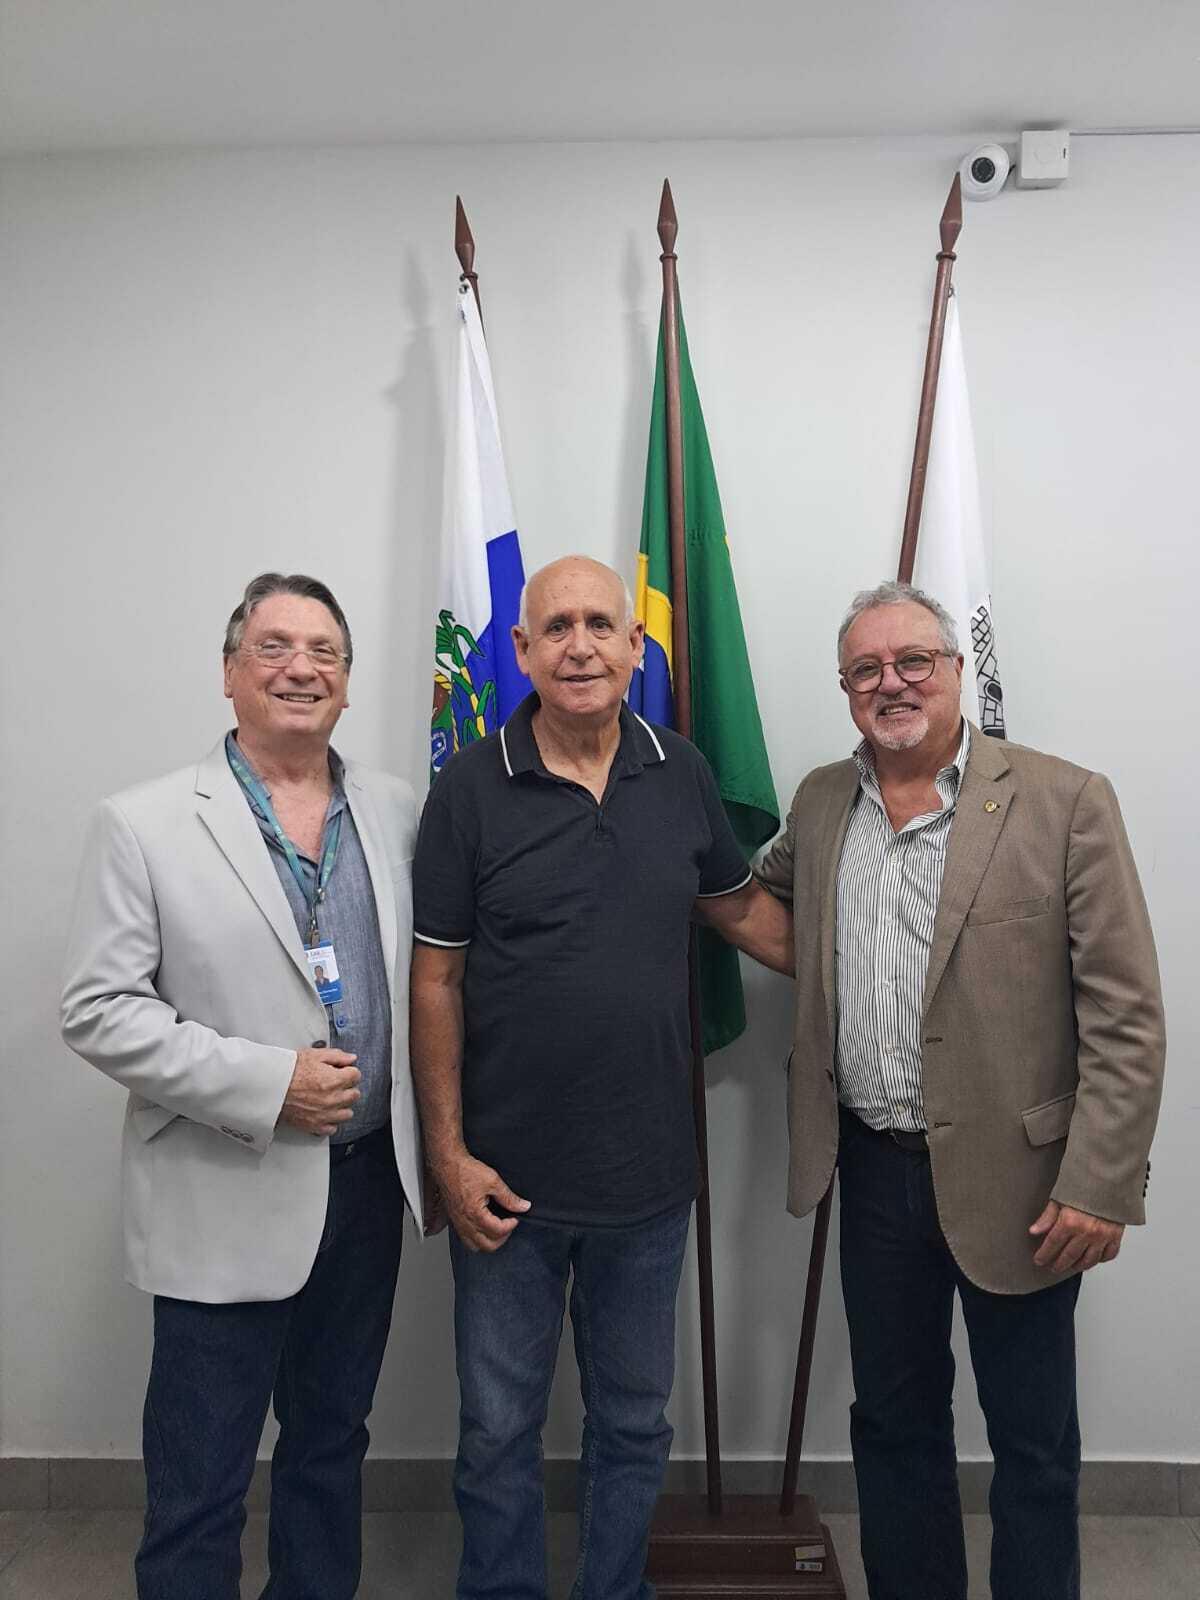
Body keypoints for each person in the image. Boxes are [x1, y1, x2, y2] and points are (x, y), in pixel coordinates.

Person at [755, 580, 1165, 1600]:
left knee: (1034, 1444)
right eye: (866, 668)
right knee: (893, 1426)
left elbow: (1126, 1013)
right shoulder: (820, 803)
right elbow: (764, 901)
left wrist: (1100, 1183)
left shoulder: (1065, 800)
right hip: (872, 1172)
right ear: (846, 687)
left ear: (955, 669)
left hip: (1026, 1184)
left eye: (912, 661)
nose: (890, 683)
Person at [410, 555, 791, 1600]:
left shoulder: (682, 770)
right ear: (522, 650)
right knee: (497, 1429)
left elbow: (739, 909)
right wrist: (447, 1155)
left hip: (648, 1181)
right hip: (504, 1184)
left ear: (635, 645)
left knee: (633, 1424)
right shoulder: (468, 788)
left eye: (598, 625)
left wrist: (876, 963)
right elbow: (435, 979)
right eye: (556, 627)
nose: (579, 646)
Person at [61, 572, 426, 1600]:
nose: (300, 667)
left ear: (347, 680)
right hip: (223, 1189)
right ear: (229, 672)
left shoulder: (399, 810)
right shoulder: (144, 822)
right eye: (273, 646)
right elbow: (98, 1009)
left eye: (324, 651)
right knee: (201, 1473)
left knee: (330, 1444)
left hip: (366, 1186)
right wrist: (269, 1085)